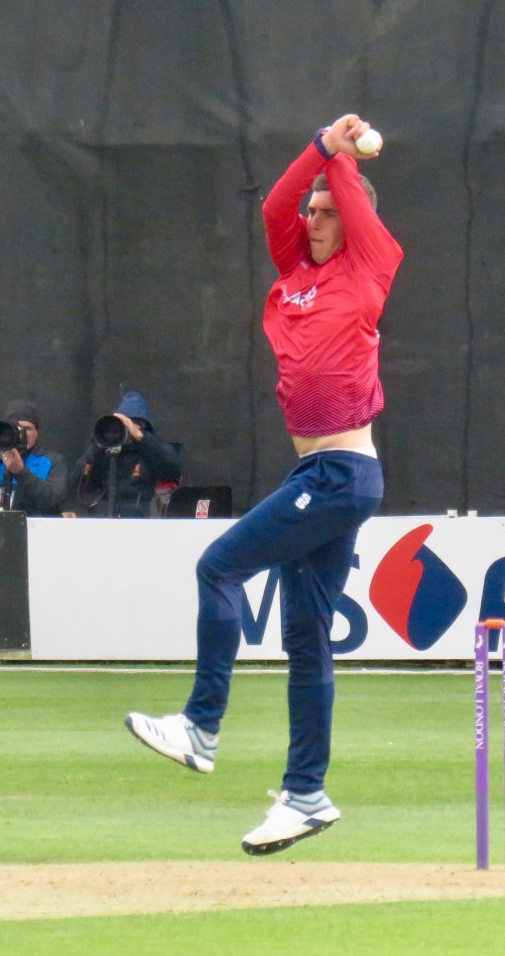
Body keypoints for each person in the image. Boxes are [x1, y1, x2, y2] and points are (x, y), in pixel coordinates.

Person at [125, 114, 404, 855]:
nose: (312, 220)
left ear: (352, 218)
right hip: (318, 471)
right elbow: (276, 206)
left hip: (342, 472)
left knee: (218, 566)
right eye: (312, 212)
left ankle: (200, 725)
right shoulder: (294, 276)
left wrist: (341, 159)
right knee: (306, 640)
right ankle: (306, 795)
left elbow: (350, 206)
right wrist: (320, 147)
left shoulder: (368, 267)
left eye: (327, 212)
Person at [71, 391, 182, 518]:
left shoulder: (153, 447)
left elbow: (171, 470)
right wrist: (97, 444)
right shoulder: (104, 449)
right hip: (104, 517)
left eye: (133, 423)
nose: (124, 429)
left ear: (143, 426)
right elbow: (77, 482)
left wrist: (142, 438)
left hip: (141, 518)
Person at [0, 399, 68, 516]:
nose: (22, 434)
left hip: (35, 525)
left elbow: (53, 498)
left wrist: (21, 472)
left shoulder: (50, 461)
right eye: (17, 429)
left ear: (37, 432)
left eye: (27, 429)